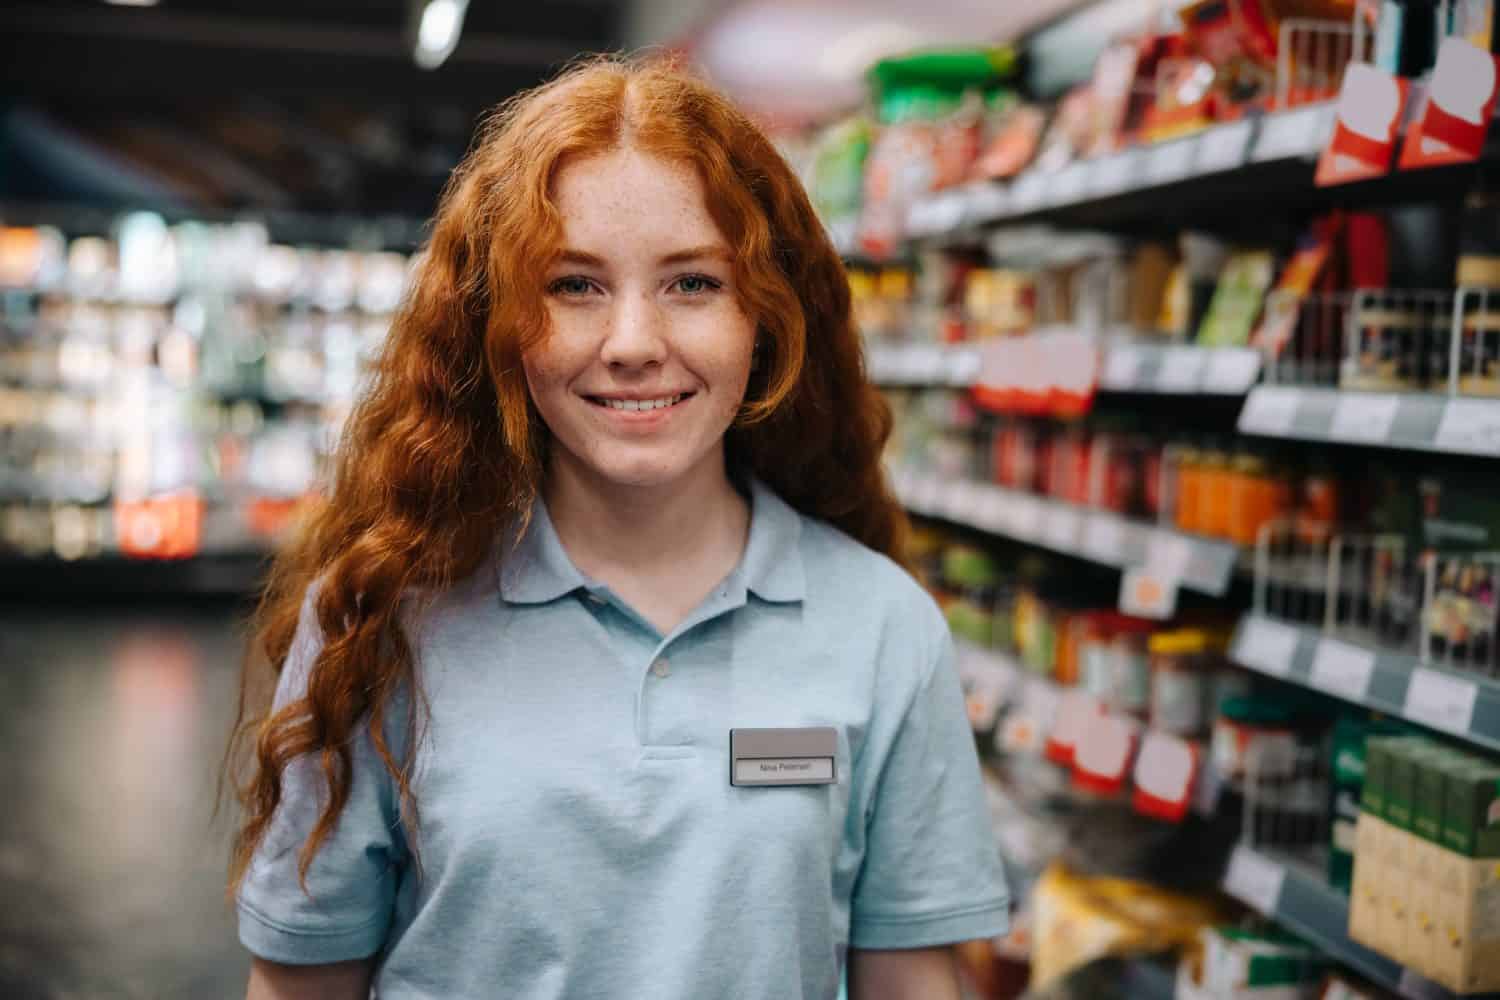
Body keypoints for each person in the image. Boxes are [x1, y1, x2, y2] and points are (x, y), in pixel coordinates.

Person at [221, 54, 1007, 1000]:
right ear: (496, 323)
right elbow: (301, 982)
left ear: (768, 314)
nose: (633, 344)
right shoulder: (384, 616)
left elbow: (912, 978)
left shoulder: (883, 627)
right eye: (574, 286)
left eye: (693, 284)